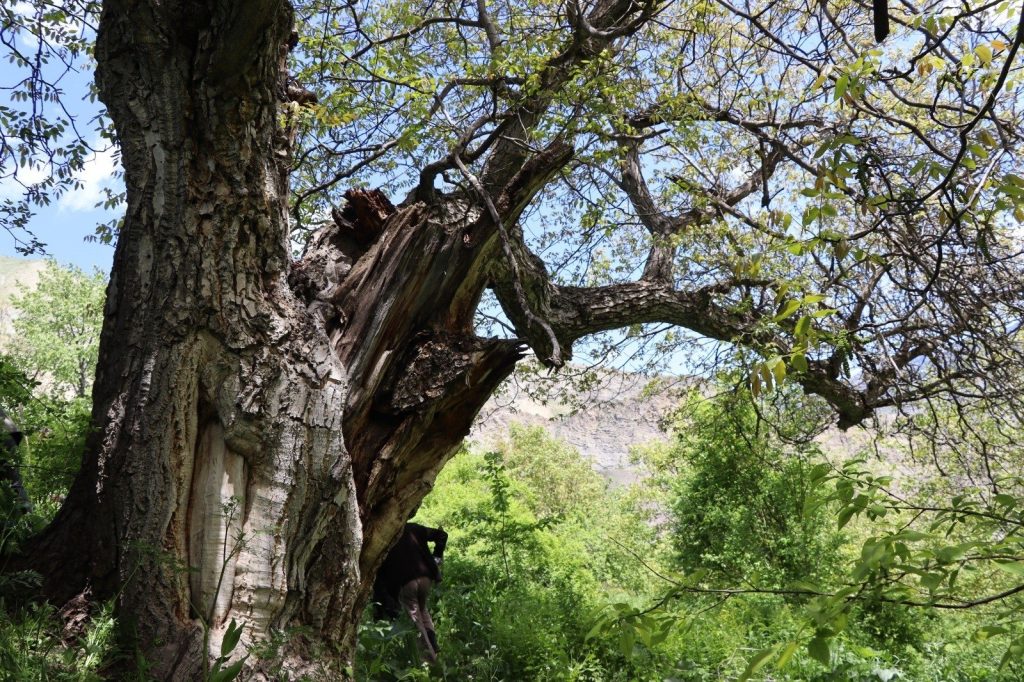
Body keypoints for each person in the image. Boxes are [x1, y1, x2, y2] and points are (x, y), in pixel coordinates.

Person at [373, 522, 448, 661]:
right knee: (422, 610)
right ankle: (433, 645)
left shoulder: (384, 536)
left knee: (416, 620)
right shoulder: (414, 528)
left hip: (406, 581)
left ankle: (429, 659)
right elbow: (442, 535)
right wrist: (436, 557)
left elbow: (380, 573)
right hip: (426, 577)